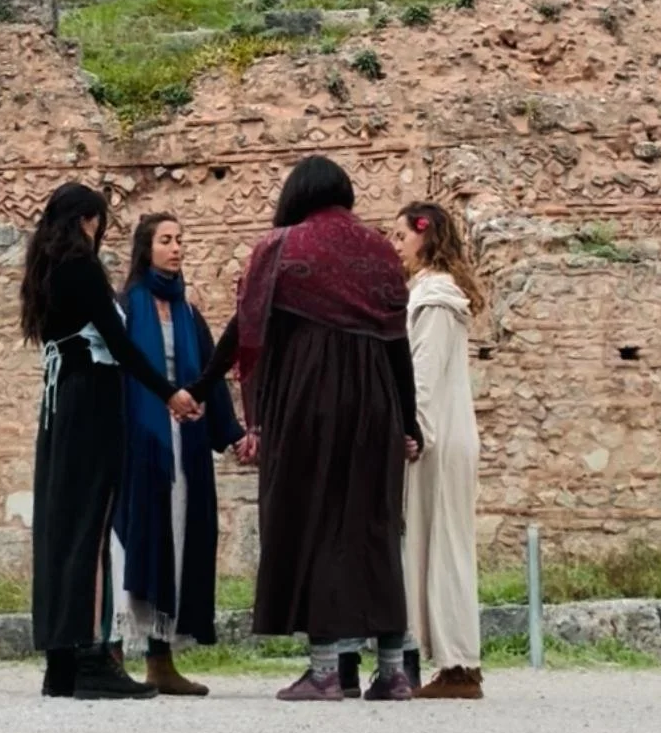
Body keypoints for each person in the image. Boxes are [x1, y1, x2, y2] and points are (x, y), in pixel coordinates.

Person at [191, 156, 422, 702]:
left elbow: (243, 330)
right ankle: (392, 672)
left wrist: (199, 389)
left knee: (313, 520)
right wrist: (408, 421)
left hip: (310, 399)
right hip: (376, 404)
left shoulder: (282, 248)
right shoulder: (380, 251)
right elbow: (398, 344)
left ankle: (323, 672)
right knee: (374, 526)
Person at [20, 182, 200, 700]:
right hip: (91, 403)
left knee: (61, 526)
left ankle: (61, 662)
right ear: (86, 221)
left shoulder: (46, 272)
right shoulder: (82, 269)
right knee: (92, 527)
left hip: (60, 405)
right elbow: (119, 343)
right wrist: (169, 392)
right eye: (98, 221)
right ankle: (92, 655)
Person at [110, 212, 249, 697]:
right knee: (133, 543)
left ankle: (161, 657)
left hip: (184, 443)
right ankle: (114, 652)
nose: (176, 248)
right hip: (141, 443)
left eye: (180, 240)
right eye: (166, 240)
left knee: (178, 538)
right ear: (145, 248)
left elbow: (211, 372)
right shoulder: (127, 306)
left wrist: (232, 433)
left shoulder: (189, 313)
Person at [391, 200, 485, 700]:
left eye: (401, 235)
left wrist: (415, 432)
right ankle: (451, 661)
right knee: (436, 546)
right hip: (441, 436)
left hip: (439, 440)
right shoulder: (428, 294)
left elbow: (423, 375)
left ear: (424, 237)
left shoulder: (435, 298)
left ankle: (459, 665)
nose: (396, 245)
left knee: (445, 547)